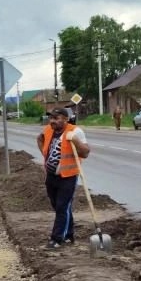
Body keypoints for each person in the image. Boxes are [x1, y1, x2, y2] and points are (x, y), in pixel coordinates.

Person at [36, 107, 90, 249]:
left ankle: (57, 239)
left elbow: (85, 153)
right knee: (59, 207)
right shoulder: (48, 129)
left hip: (68, 176)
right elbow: (39, 139)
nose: (52, 121)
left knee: (62, 207)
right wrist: (46, 155)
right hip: (51, 176)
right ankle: (69, 234)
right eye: (51, 118)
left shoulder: (75, 131)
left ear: (65, 119)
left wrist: (76, 141)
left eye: (56, 118)